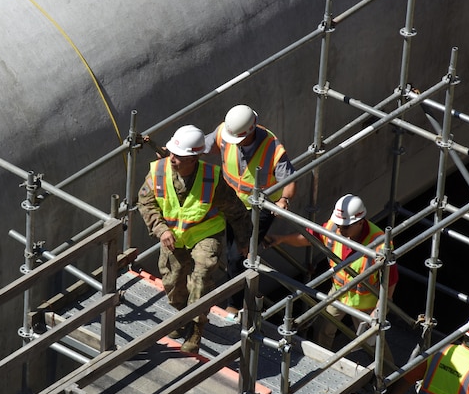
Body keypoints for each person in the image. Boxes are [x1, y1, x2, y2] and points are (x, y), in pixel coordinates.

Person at [138, 125, 252, 354]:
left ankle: (195, 330)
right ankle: (183, 317)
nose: (172, 159)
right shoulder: (158, 172)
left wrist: (243, 242)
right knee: (173, 282)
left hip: (205, 233)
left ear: (193, 158)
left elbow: (236, 211)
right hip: (173, 236)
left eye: (178, 156)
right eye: (171, 153)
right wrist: (161, 230)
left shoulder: (212, 179)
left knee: (201, 275)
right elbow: (145, 203)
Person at [270, 194, 397, 358]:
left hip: (366, 303)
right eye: (339, 225)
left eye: (345, 227)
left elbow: (390, 280)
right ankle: (321, 361)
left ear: (359, 222)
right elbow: (308, 237)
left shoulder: (380, 244)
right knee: (324, 329)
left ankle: (388, 374)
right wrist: (282, 239)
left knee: (373, 341)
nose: (340, 230)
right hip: (339, 293)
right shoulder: (333, 228)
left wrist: (379, 310)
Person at [205, 104, 297, 315]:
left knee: (239, 254)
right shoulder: (225, 132)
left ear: (251, 130)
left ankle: (235, 305)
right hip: (232, 204)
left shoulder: (271, 146)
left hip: (259, 207)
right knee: (231, 255)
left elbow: (290, 179)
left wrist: (284, 200)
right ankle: (253, 248)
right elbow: (206, 146)